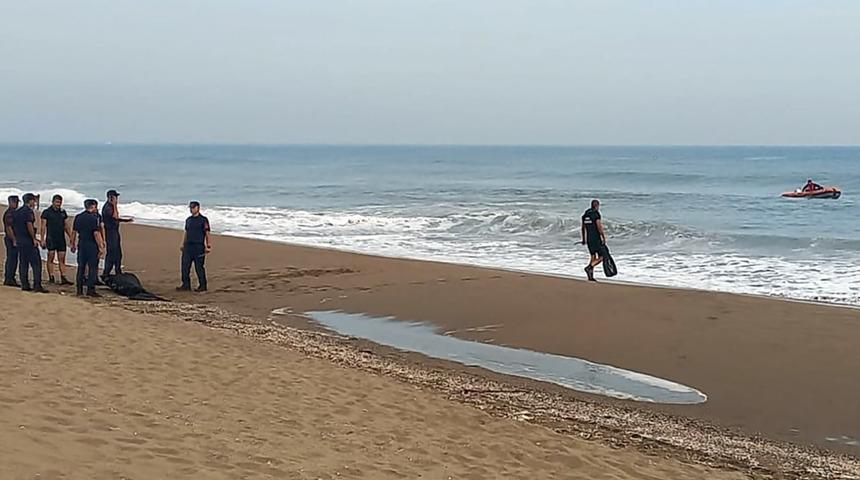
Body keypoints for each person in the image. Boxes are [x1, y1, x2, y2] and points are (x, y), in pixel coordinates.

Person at [12, 193, 47, 292]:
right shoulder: (28, 212)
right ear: (31, 201)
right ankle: (37, 285)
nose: (35, 202)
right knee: (36, 263)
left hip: (20, 239)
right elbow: (29, 225)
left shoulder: (17, 212)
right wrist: (34, 238)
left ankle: (25, 284)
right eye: (34, 200)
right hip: (27, 239)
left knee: (23, 263)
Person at [71, 199, 105, 297]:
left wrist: (72, 243)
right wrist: (101, 246)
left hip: (82, 244)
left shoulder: (78, 217)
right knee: (93, 268)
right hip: (92, 245)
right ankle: (91, 289)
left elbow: (74, 231)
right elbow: (96, 233)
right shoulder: (94, 218)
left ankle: (79, 290)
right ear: (93, 206)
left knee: (81, 267)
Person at [178, 201, 211, 292]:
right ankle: (186, 285)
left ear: (198, 208)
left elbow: (207, 233)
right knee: (185, 267)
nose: (191, 209)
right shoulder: (188, 220)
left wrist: (208, 245)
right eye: (190, 208)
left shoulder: (203, 220)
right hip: (188, 246)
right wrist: (183, 244)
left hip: (199, 246)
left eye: (193, 207)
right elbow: (186, 232)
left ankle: (202, 286)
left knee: (199, 267)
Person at [40, 194, 73, 285]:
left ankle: (63, 277)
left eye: (60, 202)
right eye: (57, 202)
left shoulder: (63, 212)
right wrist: (42, 239)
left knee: (62, 258)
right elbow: (43, 227)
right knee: (50, 257)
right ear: (53, 202)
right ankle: (51, 276)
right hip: (51, 237)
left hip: (61, 238)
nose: (58, 204)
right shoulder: (46, 212)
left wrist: (71, 237)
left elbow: (66, 226)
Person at [101, 189, 133, 281]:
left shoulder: (110, 206)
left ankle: (117, 271)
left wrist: (125, 220)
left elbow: (116, 218)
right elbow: (114, 216)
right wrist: (114, 205)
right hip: (110, 232)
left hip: (114, 231)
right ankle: (106, 273)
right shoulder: (108, 207)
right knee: (112, 253)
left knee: (118, 253)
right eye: (115, 197)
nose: (117, 199)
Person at [581, 199, 606, 282]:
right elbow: (599, 227)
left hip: (589, 239)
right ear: (597, 206)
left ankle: (590, 276)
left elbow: (583, 228)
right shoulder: (596, 214)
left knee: (593, 256)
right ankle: (589, 267)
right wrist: (603, 236)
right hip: (596, 239)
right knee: (603, 256)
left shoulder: (586, 214)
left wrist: (583, 239)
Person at [3, 195, 20, 286]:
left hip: (13, 238)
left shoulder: (14, 212)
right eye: (15, 202)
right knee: (11, 259)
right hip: (10, 239)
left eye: (17, 202)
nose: (16, 204)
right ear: (10, 202)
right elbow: (9, 228)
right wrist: (14, 239)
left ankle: (10, 277)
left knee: (13, 259)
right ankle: (9, 278)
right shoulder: (9, 213)